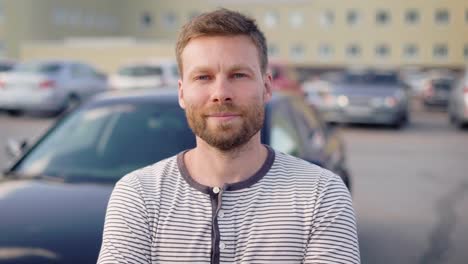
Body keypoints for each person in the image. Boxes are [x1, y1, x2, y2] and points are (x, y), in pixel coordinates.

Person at [98, 8, 360, 264]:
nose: (221, 93)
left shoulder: (321, 195)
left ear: (266, 87)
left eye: (238, 75)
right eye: (203, 77)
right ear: (181, 93)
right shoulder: (138, 196)